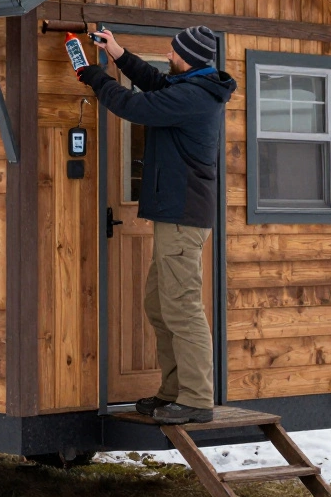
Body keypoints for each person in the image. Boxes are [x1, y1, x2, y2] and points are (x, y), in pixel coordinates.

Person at [77, 25, 236, 425]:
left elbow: (135, 107)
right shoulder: (191, 87)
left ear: (188, 56)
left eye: (172, 51)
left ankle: (197, 399)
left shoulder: (193, 97)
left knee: (182, 307)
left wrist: (92, 75)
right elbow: (156, 83)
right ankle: (173, 391)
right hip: (175, 217)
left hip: (182, 218)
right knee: (159, 304)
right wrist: (117, 53)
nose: (167, 55)